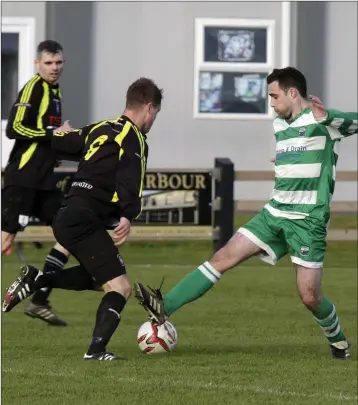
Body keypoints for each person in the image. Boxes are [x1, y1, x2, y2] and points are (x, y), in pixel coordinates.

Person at [133, 67, 357, 360]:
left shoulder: (322, 120)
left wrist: (329, 117)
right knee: (222, 257)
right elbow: (296, 154)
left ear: (292, 93)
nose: (271, 103)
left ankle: (338, 341)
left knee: (310, 297)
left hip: (307, 221)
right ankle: (165, 306)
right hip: (274, 212)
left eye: (274, 96)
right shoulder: (280, 123)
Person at [2, 77, 163, 361]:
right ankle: (95, 350)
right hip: (85, 217)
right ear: (149, 108)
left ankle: (38, 280)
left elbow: (61, 142)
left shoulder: (100, 128)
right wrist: (127, 214)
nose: (153, 121)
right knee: (120, 287)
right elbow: (131, 178)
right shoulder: (134, 138)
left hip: (68, 214)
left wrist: (61, 133)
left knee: (100, 279)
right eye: (155, 115)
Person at [1, 40, 74, 326]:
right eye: (48, 63)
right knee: (6, 238)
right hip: (23, 178)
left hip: (44, 182)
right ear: (37, 64)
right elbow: (14, 128)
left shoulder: (55, 92)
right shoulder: (34, 88)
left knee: (69, 231)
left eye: (58, 63)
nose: (54, 68)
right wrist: (54, 133)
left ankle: (39, 301)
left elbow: (48, 136)